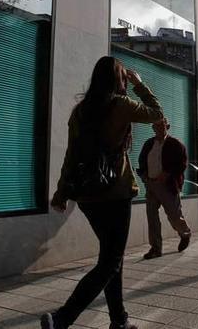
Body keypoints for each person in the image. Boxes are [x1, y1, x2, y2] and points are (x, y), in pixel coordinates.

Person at [44, 56, 164, 329]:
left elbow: (71, 155)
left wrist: (62, 193)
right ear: (118, 80)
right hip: (115, 193)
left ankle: (119, 321)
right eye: (124, 77)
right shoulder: (121, 104)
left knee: (112, 257)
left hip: (87, 195)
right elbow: (157, 113)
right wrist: (139, 85)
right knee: (110, 262)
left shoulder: (80, 111)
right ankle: (62, 318)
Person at [137, 118, 192, 259]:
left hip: (167, 185)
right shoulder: (149, 144)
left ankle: (185, 233)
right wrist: (144, 176)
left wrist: (167, 173)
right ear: (153, 128)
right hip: (151, 184)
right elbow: (142, 160)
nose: (160, 128)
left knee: (174, 215)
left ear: (167, 127)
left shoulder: (175, 144)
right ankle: (155, 248)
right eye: (156, 126)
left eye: (162, 126)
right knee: (152, 217)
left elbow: (182, 164)